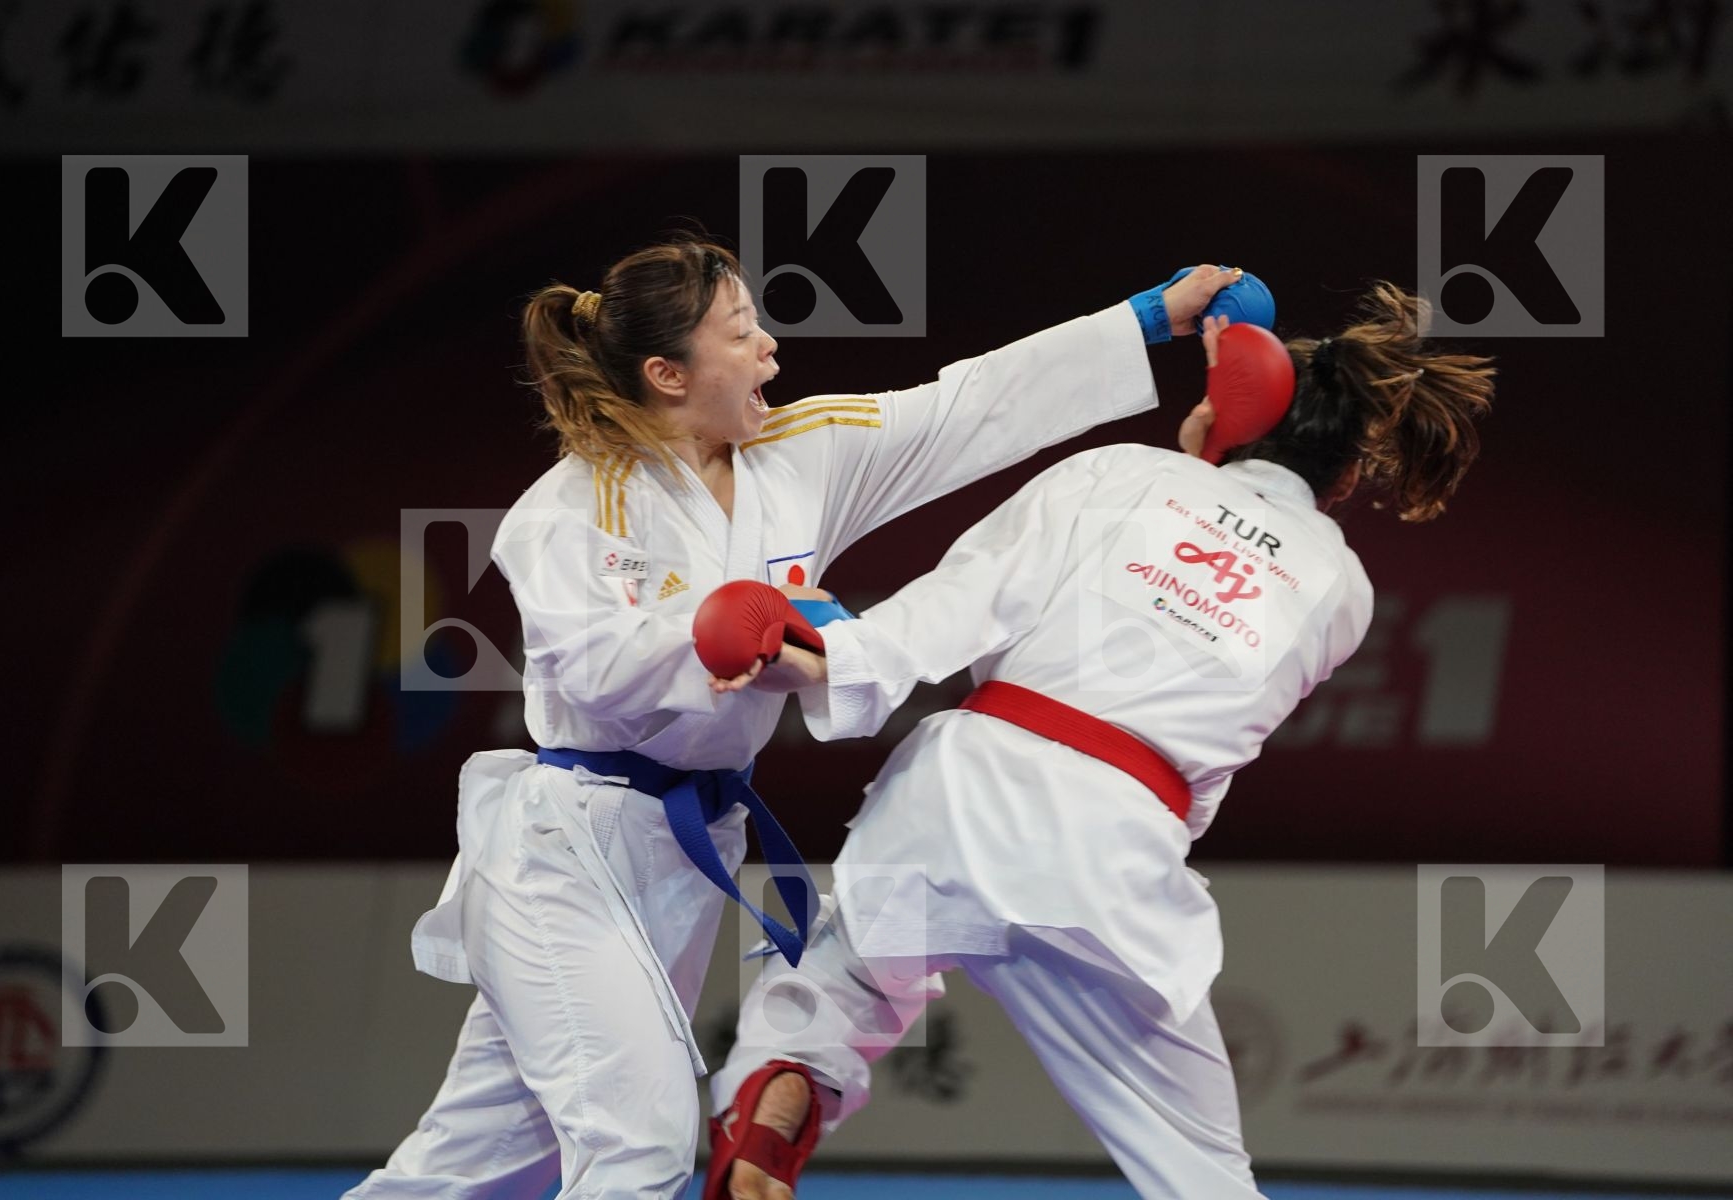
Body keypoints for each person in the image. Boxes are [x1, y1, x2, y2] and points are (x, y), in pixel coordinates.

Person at [343, 236, 1246, 1199]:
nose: (772, 348)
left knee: (482, 1158)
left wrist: (1145, 322)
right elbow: (594, 666)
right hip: (570, 847)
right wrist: (723, 634)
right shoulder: (575, 505)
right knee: (639, 1145)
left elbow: (964, 407)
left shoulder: (798, 453)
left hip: (688, 844)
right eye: (742, 332)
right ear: (668, 374)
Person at [703, 284, 1495, 1200]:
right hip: (1113, 852)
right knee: (1201, 1169)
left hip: (959, 798)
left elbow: (964, 603)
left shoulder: (1120, 475)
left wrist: (829, 658)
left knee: (841, 987)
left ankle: (775, 1098)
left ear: (1232, 410)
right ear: (1348, 476)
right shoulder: (1339, 588)